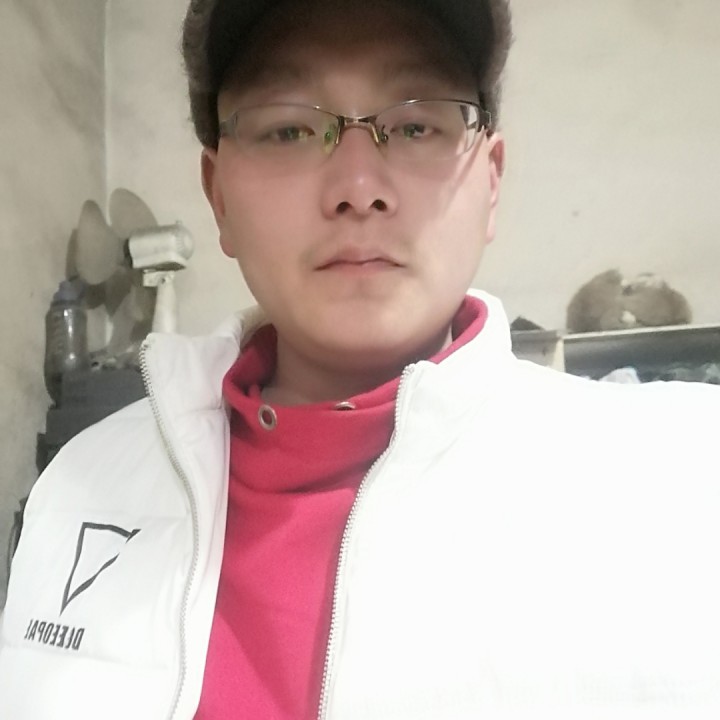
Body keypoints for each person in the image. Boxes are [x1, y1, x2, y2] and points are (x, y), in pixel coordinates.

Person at [1, 0, 719, 717]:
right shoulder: (82, 485)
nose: (358, 189)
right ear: (218, 198)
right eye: (288, 128)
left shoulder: (684, 481)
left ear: (491, 181)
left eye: (415, 125)